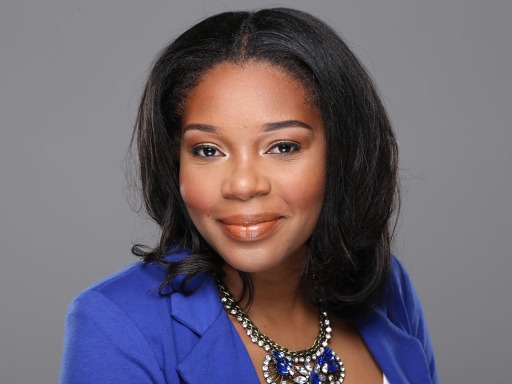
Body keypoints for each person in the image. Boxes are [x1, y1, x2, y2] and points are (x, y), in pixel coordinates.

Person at [59, 8, 438, 384]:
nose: (242, 185)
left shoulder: (386, 284)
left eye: (283, 146)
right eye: (208, 150)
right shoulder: (114, 325)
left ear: (342, 153)